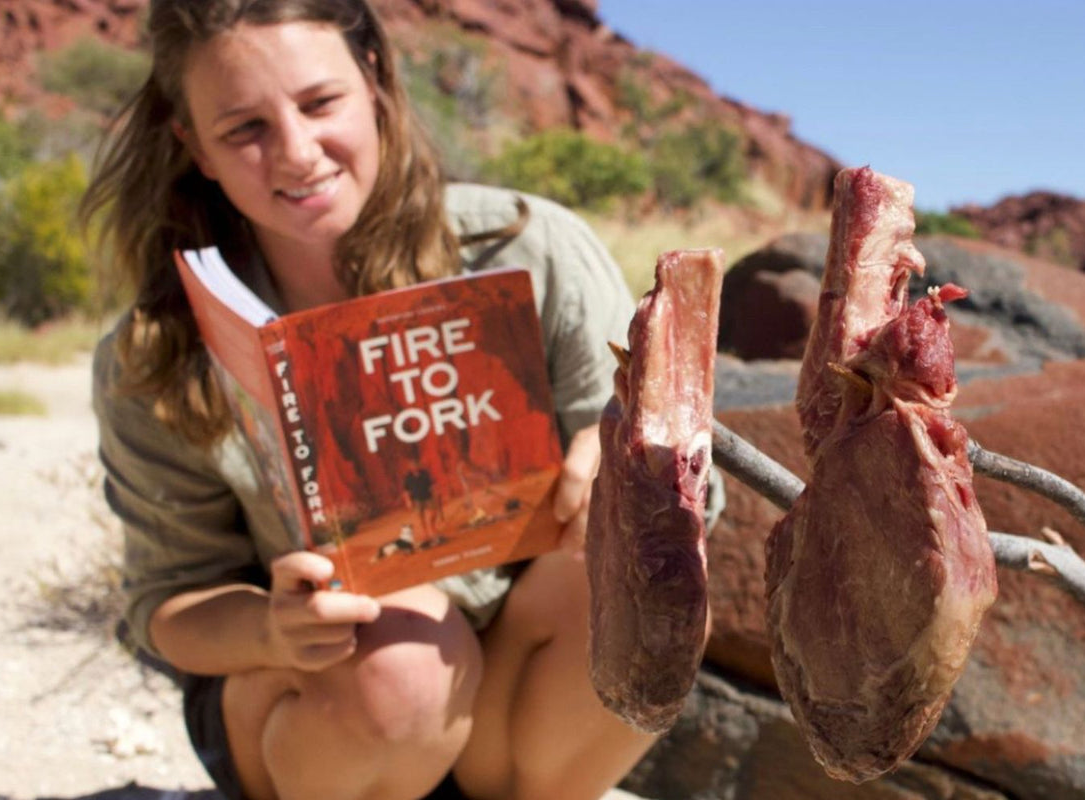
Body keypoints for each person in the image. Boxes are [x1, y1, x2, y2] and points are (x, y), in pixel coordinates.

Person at [79, 1, 697, 798]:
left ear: (374, 80)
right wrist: (273, 628)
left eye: (319, 103)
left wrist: (614, 473)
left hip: (513, 687)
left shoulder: (527, 250)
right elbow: (169, 605)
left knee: (642, 566)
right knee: (400, 650)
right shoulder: (157, 352)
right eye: (244, 130)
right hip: (329, 709)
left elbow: (691, 496)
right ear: (193, 146)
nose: (297, 154)